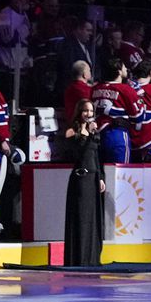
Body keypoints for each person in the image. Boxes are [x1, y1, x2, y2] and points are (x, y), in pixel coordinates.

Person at [56, 98, 105, 266]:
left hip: (93, 178)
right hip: (80, 179)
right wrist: (90, 134)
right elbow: (80, 154)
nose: (89, 114)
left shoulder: (94, 133)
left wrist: (101, 177)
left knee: (92, 218)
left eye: (91, 111)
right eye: (86, 111)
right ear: (79, 112)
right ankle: (78, 257)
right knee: (81, 218)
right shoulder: (72, 131)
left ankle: (91, 258)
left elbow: (96, 156)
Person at [90, 62, 140, 165]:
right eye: (124, 67)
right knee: (121, 173)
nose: (126, 69)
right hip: (117, 134)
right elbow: (138, 117)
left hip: (97, 135)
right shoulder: (126, 89)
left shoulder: (95, 88)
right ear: (119, 72)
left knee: (100, 174)